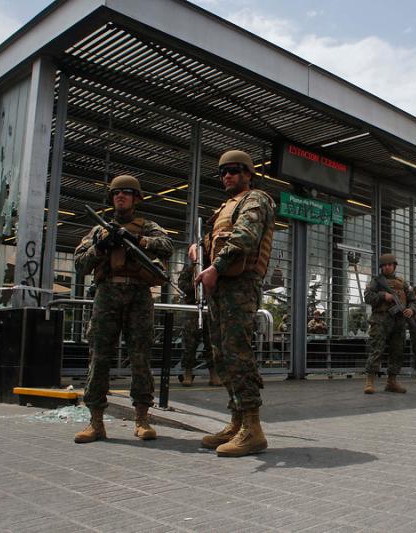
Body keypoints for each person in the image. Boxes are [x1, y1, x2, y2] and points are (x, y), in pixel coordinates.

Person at [73, 175, 173, 443]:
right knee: (99, 357)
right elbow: (80, 264)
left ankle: (142, 419)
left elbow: (167, 246)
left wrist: (137, 240)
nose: (120, 196)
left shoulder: (148, 227)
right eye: (116, 192)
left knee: (140, 357)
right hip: (107, 294)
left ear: (136, 198)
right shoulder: (98, 231)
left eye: (127, 192)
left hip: (139, 295)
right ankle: (96, 422)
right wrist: (101, 246)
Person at [193, 150, 275, 457]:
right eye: (223, 171)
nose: (227, 175)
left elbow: (244, 237)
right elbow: (218, 240)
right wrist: (198, 248)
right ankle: (238, 420)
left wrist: (215, 267)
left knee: (237, 353)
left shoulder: (255, 199)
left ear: (248, 173)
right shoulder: (224, 207)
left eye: (235, 170)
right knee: (222, 354)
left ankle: (252, 428)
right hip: (222, 289)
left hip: (239, 285)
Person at [363, 253, 416, 394]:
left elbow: (413, 300)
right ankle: (370, 381)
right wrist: (383, 296)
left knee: (397, 351)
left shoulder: (402, 282)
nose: (387, 267)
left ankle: (391, 382)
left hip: (399, 321)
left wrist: (411, 310)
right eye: (384, 265)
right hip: (380, 320)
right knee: (376, 349)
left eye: (389, 265)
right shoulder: (376, 281)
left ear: (394, 266)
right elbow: (368, 297)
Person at [175, 263, 220, 387]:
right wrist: (195, 285)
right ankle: (188, 373)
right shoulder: (192, 266)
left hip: (211, 306)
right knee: (190, 343)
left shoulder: (214, 264)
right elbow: (181, 284)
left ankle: (213, 373)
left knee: (212, 342)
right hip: (193, 307)